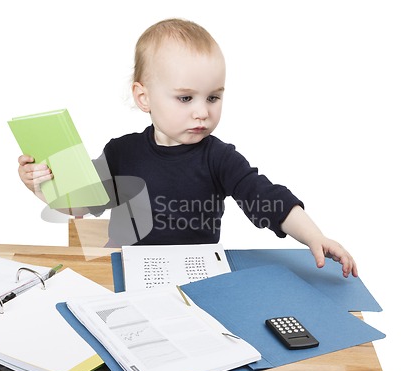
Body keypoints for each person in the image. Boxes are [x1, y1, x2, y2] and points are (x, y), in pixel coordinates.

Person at [18, 18, 357, 279]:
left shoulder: (219, 157)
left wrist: (314, 235)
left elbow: (266, 198)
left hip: (198, 277)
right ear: (143, 97)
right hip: (134, 275)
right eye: (185, 98)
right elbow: (79, 205)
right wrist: (39, 186)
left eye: (213, 97)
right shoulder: (122, 152)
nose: (202, 111)